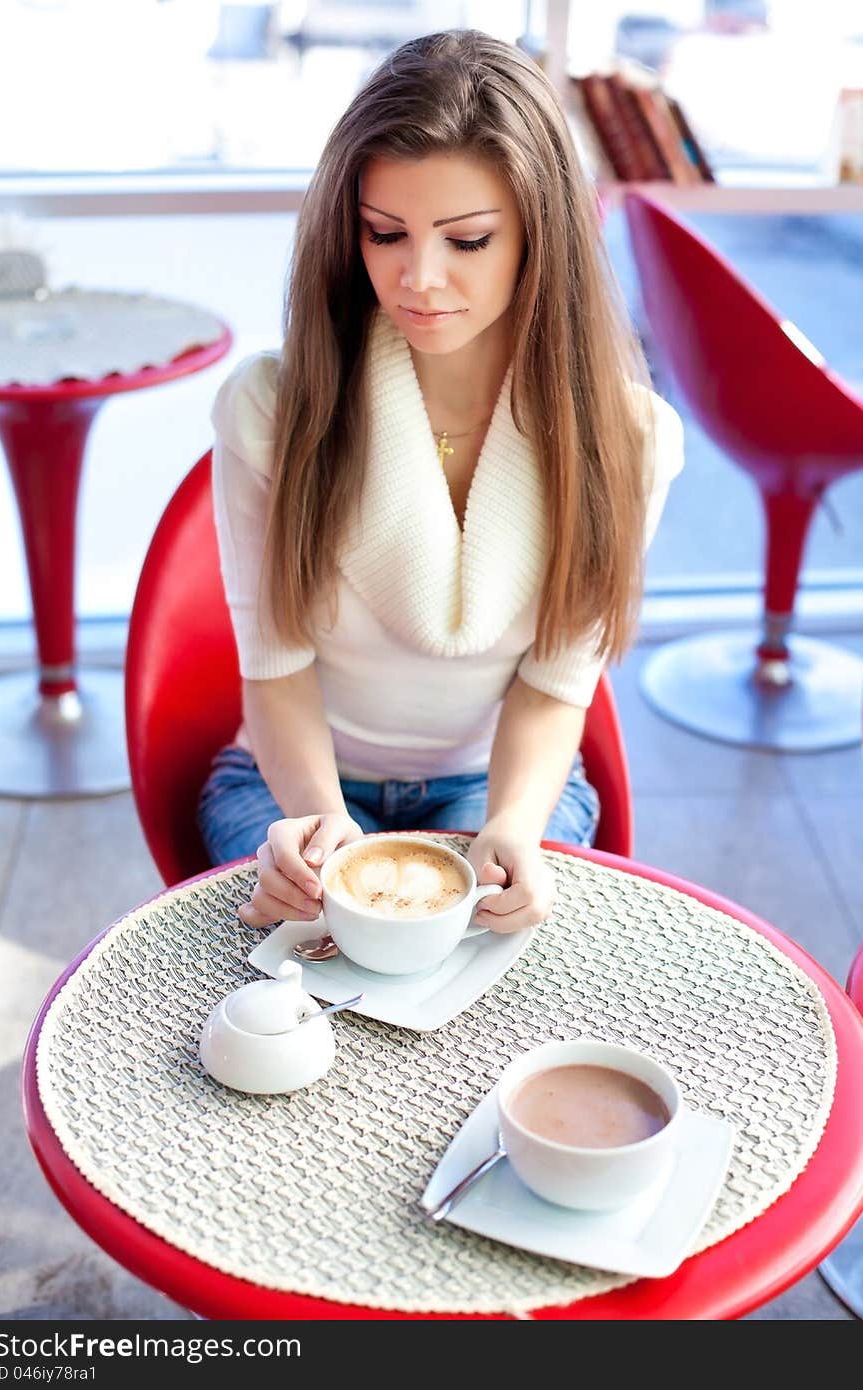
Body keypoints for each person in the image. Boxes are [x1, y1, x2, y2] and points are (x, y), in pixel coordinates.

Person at [198, 29, 683, 936]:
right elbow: (275, 669)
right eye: (386, 234)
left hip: (492, 779)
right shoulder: (271, 408)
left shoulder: (629, 439)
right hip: (292, 778)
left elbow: (553, 687)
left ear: (540, 236)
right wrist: (315, 816)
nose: (418, 279)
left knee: (487, 988)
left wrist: (511, 823)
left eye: (466, 240)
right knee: (306, 977)